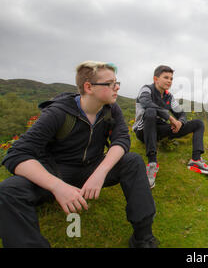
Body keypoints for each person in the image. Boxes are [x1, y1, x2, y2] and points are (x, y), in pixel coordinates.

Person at [0, 61, 158, 248]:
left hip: (91, 168)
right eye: (110, 83)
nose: (117, 88)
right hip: (56, 171)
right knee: (7, 191)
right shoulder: (58, 112)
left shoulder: (111, 109)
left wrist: (100, 172)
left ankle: (143, 238)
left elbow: (122, 140)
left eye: (117, 82)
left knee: (133, 161)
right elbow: (16, 154)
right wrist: (57, 186)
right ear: (89, 87)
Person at [133, 65, 208, 189]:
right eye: (166, 77)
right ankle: (152, 163)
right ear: (156, 79)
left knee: (198, 123)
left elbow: (181, 113)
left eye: (171, 78)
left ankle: (196, 160)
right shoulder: (146, 89)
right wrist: (170, 118)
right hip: (143, 130)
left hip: (160, 130)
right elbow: (146, 103)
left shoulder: (169, 96)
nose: (169, 81)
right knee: (150, 111)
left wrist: (180, 123)